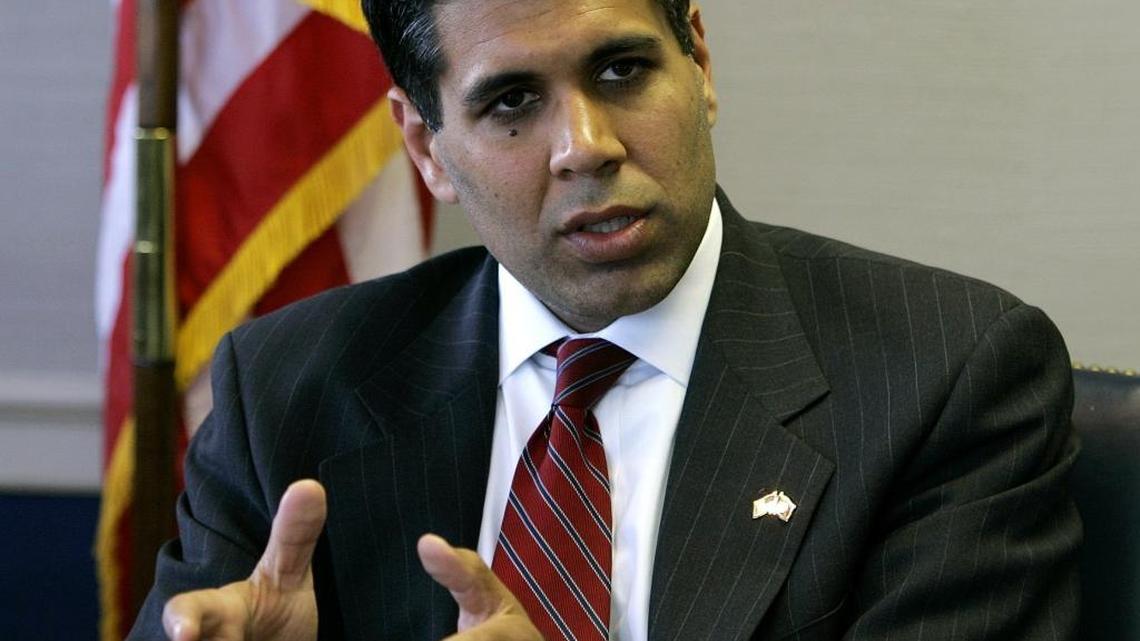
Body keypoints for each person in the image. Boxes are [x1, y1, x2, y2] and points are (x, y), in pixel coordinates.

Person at [129, 1, 1081, 639]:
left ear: (700, 63)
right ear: (425, 147)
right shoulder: (289, 385)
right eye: (511, 101)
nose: (587, 146)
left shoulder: (943, 373)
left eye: (623, 70)